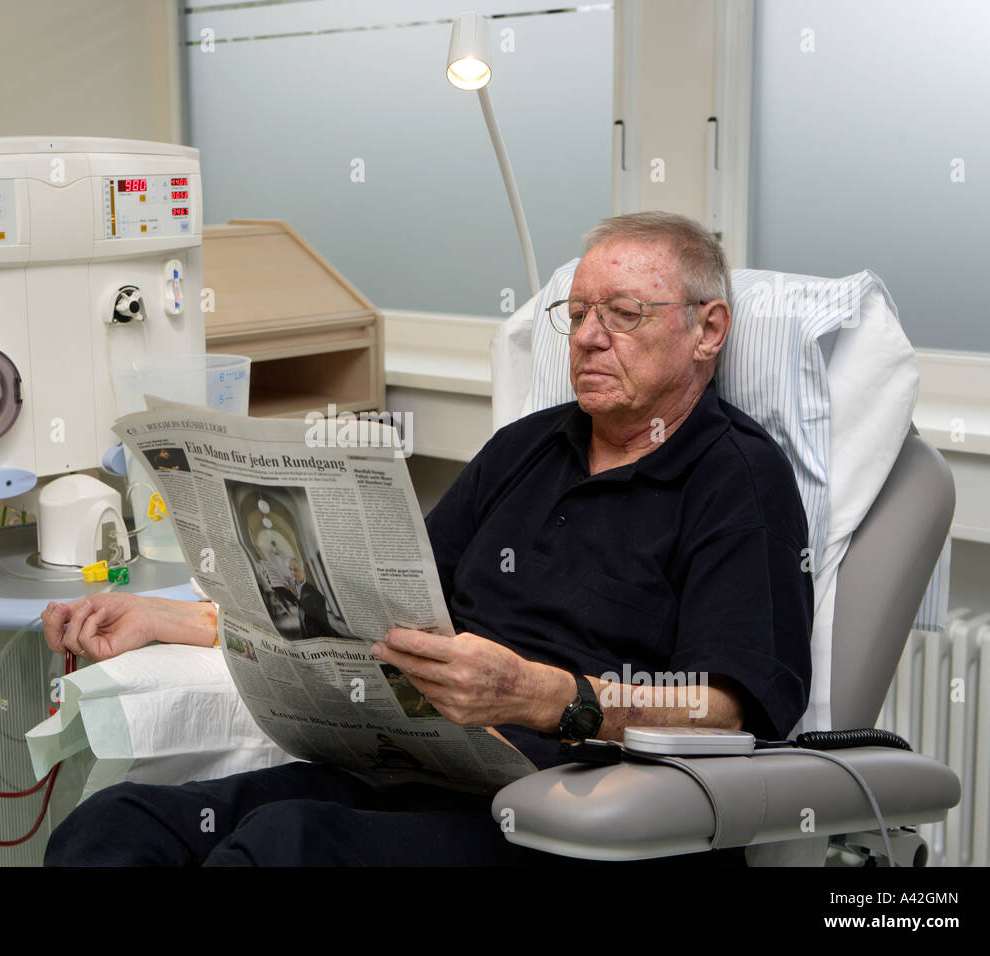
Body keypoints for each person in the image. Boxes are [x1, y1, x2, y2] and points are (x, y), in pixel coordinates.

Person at [40, 212, 813, 866]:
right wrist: (163, 618)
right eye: (576, 314)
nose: (587, 338)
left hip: (576, 812)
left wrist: (544, 697)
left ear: (708, 329)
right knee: (116, 826)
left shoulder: (736, 478)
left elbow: (722, 711)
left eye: (624, 314)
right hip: (422, 766)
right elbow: (375, 610)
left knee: (282, 848)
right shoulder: (526, 449)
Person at [286, 557, 336, 639]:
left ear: (302, 570)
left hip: (313, 628)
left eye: (295, 570)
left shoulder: (312, 591)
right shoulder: (293, 585)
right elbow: (295, 602)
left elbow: (320, 608)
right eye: (290, 569)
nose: (292, 573)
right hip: (303, 622)